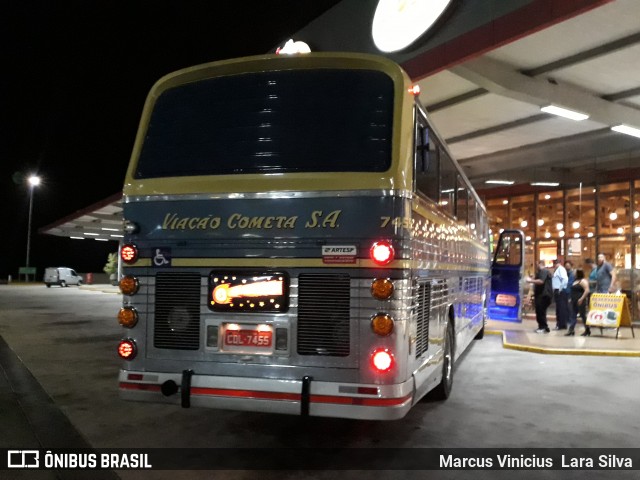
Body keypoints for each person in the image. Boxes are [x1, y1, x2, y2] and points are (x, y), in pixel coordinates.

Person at [526, 260, 553, 333]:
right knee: (540, 311)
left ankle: (543, 327)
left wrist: (530, 281)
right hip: (541, 295)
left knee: (540, 311)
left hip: (543, 295)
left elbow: (541, 281)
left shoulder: (544, 271)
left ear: (541, 264)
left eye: (537, 264)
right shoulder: (541, 272)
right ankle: (543, 327)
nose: (536, 266)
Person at [566, 269, 589, 336]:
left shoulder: (583, 281)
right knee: (573, 315)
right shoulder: (575, 281)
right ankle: (571, 330)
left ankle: (587, 329)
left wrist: (581, 299)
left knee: (582, 315)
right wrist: (570, 298)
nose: (573, 273)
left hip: (580, 301)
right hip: (574, 300)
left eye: (575, 272)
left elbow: (587, 290)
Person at [551, 258, 569, 330]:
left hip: (560, 290)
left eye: (554, 264)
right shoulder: (558, 269)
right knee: (560, 308)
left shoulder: (561, 269)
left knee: (560, 308)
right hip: (558, 290)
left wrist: (560, 288)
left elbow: (565, 279)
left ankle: (560, 324)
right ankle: (562, 324)